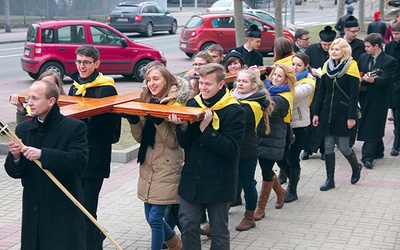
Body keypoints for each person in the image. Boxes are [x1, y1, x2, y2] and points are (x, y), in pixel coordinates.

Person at [4, 80, 88, 249]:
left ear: (51, 101)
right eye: (29, 98)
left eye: (35, 98)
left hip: (62, 209)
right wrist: (15, 157)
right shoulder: (23, 129)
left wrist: (43, 154)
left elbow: (79, 161)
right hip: (33, 210)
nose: (29, 103)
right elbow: (15, 172)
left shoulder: (74, 127)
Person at [169, 63, 245, 250]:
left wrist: (206, 130)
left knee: (218, 230)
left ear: (221, 84)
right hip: (193, 178)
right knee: (187, 223)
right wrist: (183, 127)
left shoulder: (235, 111)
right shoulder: (194, 104)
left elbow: (231, 149)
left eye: (208, 84)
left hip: (219, 180)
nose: (203, 87)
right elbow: (185, 143)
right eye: (201, 83)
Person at [126, 64, 187, 250]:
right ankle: (177, 245)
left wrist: (160, 121)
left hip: (168, 165)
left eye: (156, 79)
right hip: (149, 163)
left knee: (155, 218)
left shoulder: (175, 103)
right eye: (149, 80)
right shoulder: (146, 99)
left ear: (166, 80)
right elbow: (140, 138)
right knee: (149, 217)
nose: (152, 83)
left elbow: (173, 143)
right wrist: (135, 121)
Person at [68, 44, 121, 250]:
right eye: (79, 62)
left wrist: (89, 118)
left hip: (95, 157)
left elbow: (112, 129)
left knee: (88, 207)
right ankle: (92, 237)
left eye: (86, 62)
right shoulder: (74, 86)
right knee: (76, 205)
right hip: (75, 156)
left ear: (97, 64)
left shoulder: (106, 87)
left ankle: (93, 243)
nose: (81, 66)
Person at [312, 38, 362, 192]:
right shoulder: (327, 66)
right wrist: (316, 113)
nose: (333, 51)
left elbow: (354, 96)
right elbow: (321, 92)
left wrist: (351, 117)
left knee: (343, 147)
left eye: (337, 49)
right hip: (327, 113)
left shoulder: (352, 66)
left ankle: (356, 167)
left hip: (344, 112)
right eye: (332, 49)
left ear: (344, 51)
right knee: (328, 146)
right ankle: (330, 179)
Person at [231, 69, 272, 231]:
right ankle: (216, 220)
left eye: (244, 81)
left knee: (247, 183)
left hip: (246, 150)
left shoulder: (253, 105)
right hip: (232, 149)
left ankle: (249, 217)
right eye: (238, 81)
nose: (240, 84)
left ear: (253, 85)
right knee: (228, 182)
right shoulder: (232, 97)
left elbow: (233, 115)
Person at [255, 64, 295, 221]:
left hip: (276, 137)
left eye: (280, 76)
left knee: (266, 170)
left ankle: (261, 207)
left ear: (287, 79)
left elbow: (266, 102)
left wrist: (256, 81)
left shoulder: (285, 96)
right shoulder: (269, 87)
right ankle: (280, 192)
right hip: (262, 134)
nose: (275, 78)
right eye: (274, 75)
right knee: (265, 168)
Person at [357, 33, 397, 169]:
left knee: (373, 124)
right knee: (370, 122)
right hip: (364, 96)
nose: (366, 49)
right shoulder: (363, 58)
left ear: (376, 46)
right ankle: (378, 150)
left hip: (379, 98)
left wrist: (373, 79)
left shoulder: (390, 61)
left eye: (368, 46)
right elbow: (359, 73)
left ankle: (367, 156)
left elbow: (388, 80)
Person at [281, 52, 316, 203]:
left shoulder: (308, 82)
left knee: (293, 157)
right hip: (284, 123)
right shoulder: (287, 79)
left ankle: (292, 190)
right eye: (293, 64)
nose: (294, 68)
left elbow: (293, 95)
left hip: (299, 125)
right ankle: (290, 176)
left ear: (306, 66)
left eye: (299, 65)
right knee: (281, 157)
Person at [301, 26, 336, 162]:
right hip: (313, 89)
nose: (327, 47)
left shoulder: (335, 51)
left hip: (328, 89)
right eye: (324, 44)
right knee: (310, 118)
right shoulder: (311, 50)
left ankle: (323, 149)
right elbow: (305, 63)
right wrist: (311, 71)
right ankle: (307, 149)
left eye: (330, 45)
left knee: (324, 118)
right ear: (320, 41)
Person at [385, 22, 400, 156]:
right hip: (392, 84)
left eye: (397, 34)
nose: (395, 36)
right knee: (395, 114)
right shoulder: (390, 46)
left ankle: (396, 145)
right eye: (394, 34)